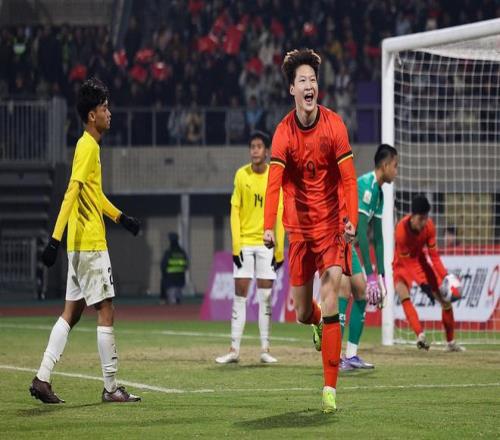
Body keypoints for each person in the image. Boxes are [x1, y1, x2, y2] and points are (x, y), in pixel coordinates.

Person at [29, 77, 142, 404]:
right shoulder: (87, 146)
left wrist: (121, 218)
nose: (110, 113)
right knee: (106, 311)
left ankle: (42, 378)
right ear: (92, 115)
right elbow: (72, 192)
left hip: (79, 246)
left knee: (71, 313)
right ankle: (111, 388)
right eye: (105, 108)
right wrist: (54, 239)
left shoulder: (89, 146)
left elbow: (93, 194)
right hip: (90, 244)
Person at [263, 49, 358, 413]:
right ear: (292, 89)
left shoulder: (335, 125)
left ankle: (329, 388)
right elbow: (273, 185)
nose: (309, 85)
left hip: (332, 227)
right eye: (302, 80)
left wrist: (351, 219)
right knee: (304, 312)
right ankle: (316, 321)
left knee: (332, 293)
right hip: (299, 231)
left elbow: (348, 179)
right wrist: (268, 228)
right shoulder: (283, 133)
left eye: (313, 80)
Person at [216, 131, 285, 364]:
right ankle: (234, 350)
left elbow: (280, 212)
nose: (255, 150)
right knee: (240, 295)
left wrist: (279, 249)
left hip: (266, 243)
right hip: (245, 242)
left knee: (265, 297)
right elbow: (234, 211)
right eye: (252, 146)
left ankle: (265, 349)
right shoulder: (241, 175)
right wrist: (236, 247)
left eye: (259, 146)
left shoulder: (275, 176)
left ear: (267, 151)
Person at [337, 144, 398, 371]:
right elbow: (361, 231)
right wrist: (370, 275)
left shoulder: (379, 194)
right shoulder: (365, 185)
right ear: (385, 165)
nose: (396, 171)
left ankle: (351, 355)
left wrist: (381, 276)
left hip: (349, 246)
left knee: (361, 294)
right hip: (337, 241)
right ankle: (335, 357)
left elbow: (378, 238)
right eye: (395, 165)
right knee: (344, 292)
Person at [393, 195, 464, 352]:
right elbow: (407, 263)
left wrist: (446, 276)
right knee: (404, 296)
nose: (424, 222)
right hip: (401, 264)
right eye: (421, 218)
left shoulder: (429, 226)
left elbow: (434, 256)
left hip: (421, 263)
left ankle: (451, 343)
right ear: (412, 216)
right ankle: (420, 335)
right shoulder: (401, 231)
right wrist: (422, 284)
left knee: (445, 301)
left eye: (426, 218)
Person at [160, 232, 189, 304]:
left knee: (172, 300)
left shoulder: (168, 252)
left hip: (170, 280)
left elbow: (163, 266)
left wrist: (164, 276)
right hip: (180, 279)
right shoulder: (182, 252)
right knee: (179, 299)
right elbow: (186, 265)